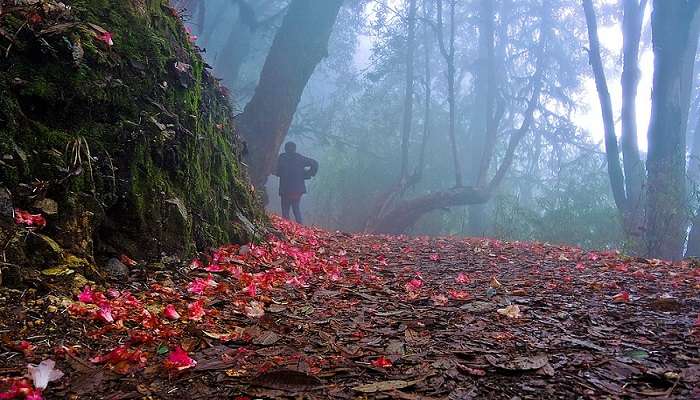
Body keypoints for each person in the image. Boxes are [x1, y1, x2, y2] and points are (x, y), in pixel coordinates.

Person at [273, 142, 318, 224]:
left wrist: (279, 174)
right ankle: (300, 227)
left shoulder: (282, 157)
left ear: (285, 149)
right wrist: (308, 174)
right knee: (296, 209)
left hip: (285, 189)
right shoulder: (300, 158)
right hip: (297, 190)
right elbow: (314, 163)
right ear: (295, 148)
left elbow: (276, 170)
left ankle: (286, 227)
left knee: (285, 210)